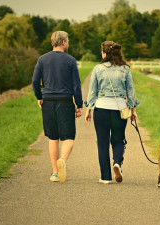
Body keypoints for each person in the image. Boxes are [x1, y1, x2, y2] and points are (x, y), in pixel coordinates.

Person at [85, 41, 140, 184]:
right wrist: (133, 110)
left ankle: (105, 177)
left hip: (101, 109)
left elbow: (92, 92)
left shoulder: (98, 69)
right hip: (120, 109)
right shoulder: (125, 69)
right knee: (119, 139)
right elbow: (131, 92)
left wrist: (88, 110)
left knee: (102, 143)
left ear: (104, 53)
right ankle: (117, 163)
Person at [32, 31, 83, 183]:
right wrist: (79, 104)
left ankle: (55, 172)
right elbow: (76, 85)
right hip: (65, 102)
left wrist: (39, 97)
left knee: (53, 138)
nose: (68, 43)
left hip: (48, 101)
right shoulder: (71, 60)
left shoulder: (42, 59)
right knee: (68, 138)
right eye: (67, 41)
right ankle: (63, 160)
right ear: (63, 42)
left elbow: (35, 81)